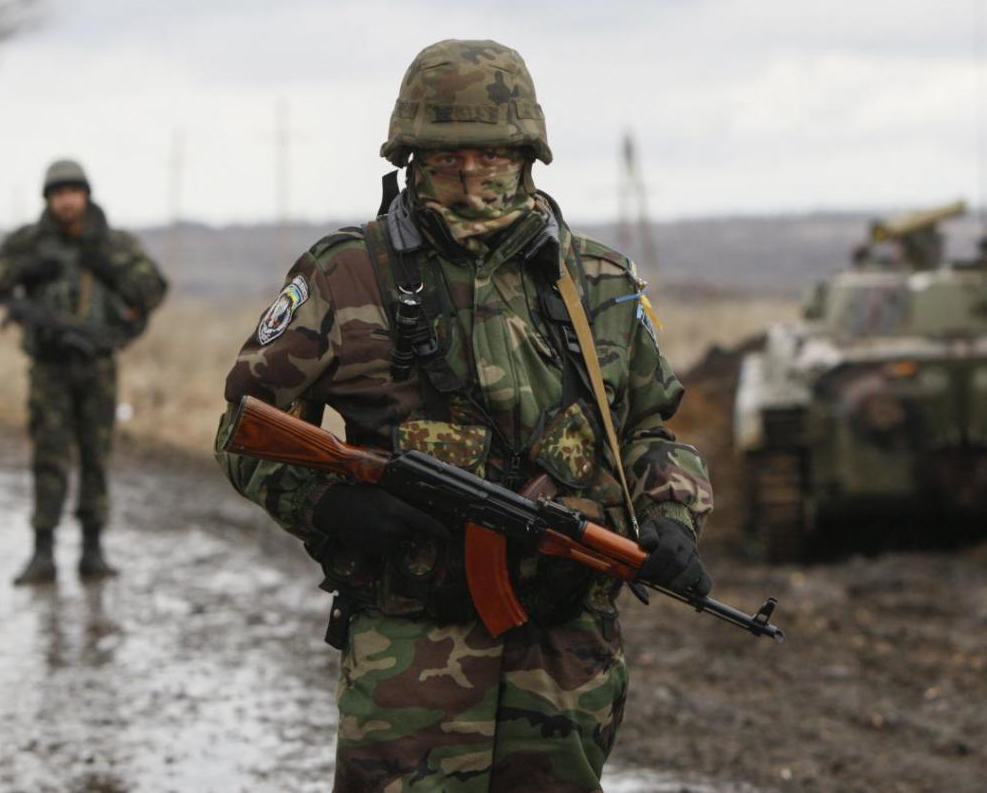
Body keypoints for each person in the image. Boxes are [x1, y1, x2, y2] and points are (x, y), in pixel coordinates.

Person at [214, 39, 714, 792]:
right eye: (446, 159)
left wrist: (673, 515)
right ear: (411, 160)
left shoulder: (599, 282)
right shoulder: (348, 274)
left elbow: (648, 430)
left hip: (564, 652)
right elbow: (243, 428)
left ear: (528, 156)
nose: (471, 176)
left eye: (491, 156)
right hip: (409, 653)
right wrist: (332, 501)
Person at [0, 159, 168, 584]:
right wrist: (25, 268)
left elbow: (153, 288)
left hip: (98, 365)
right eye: (58, 193)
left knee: (96, 457)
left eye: (73, 191)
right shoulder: (29, 242)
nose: (66, 200)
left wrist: (107, 263)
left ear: (85, 195)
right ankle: (42, 551)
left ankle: (92, 551)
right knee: (49, 457)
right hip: (49, 369)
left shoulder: (113, 242)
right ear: (48, 199)